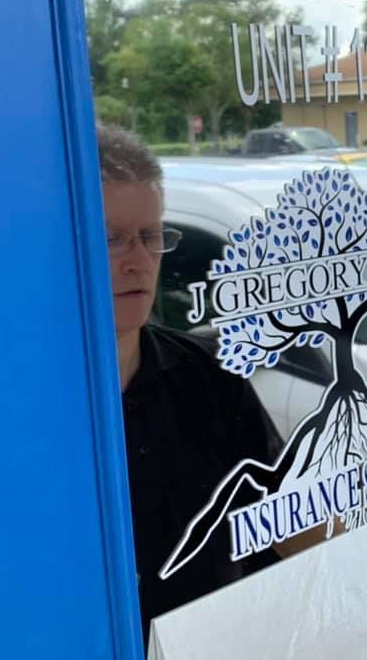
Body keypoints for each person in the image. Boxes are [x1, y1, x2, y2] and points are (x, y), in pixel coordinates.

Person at [98, 124, 285, 645]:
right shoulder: (14, 408)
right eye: (111, 238)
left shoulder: (211, 373)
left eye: (151, 236)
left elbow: (289, 515)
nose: (138, 260)